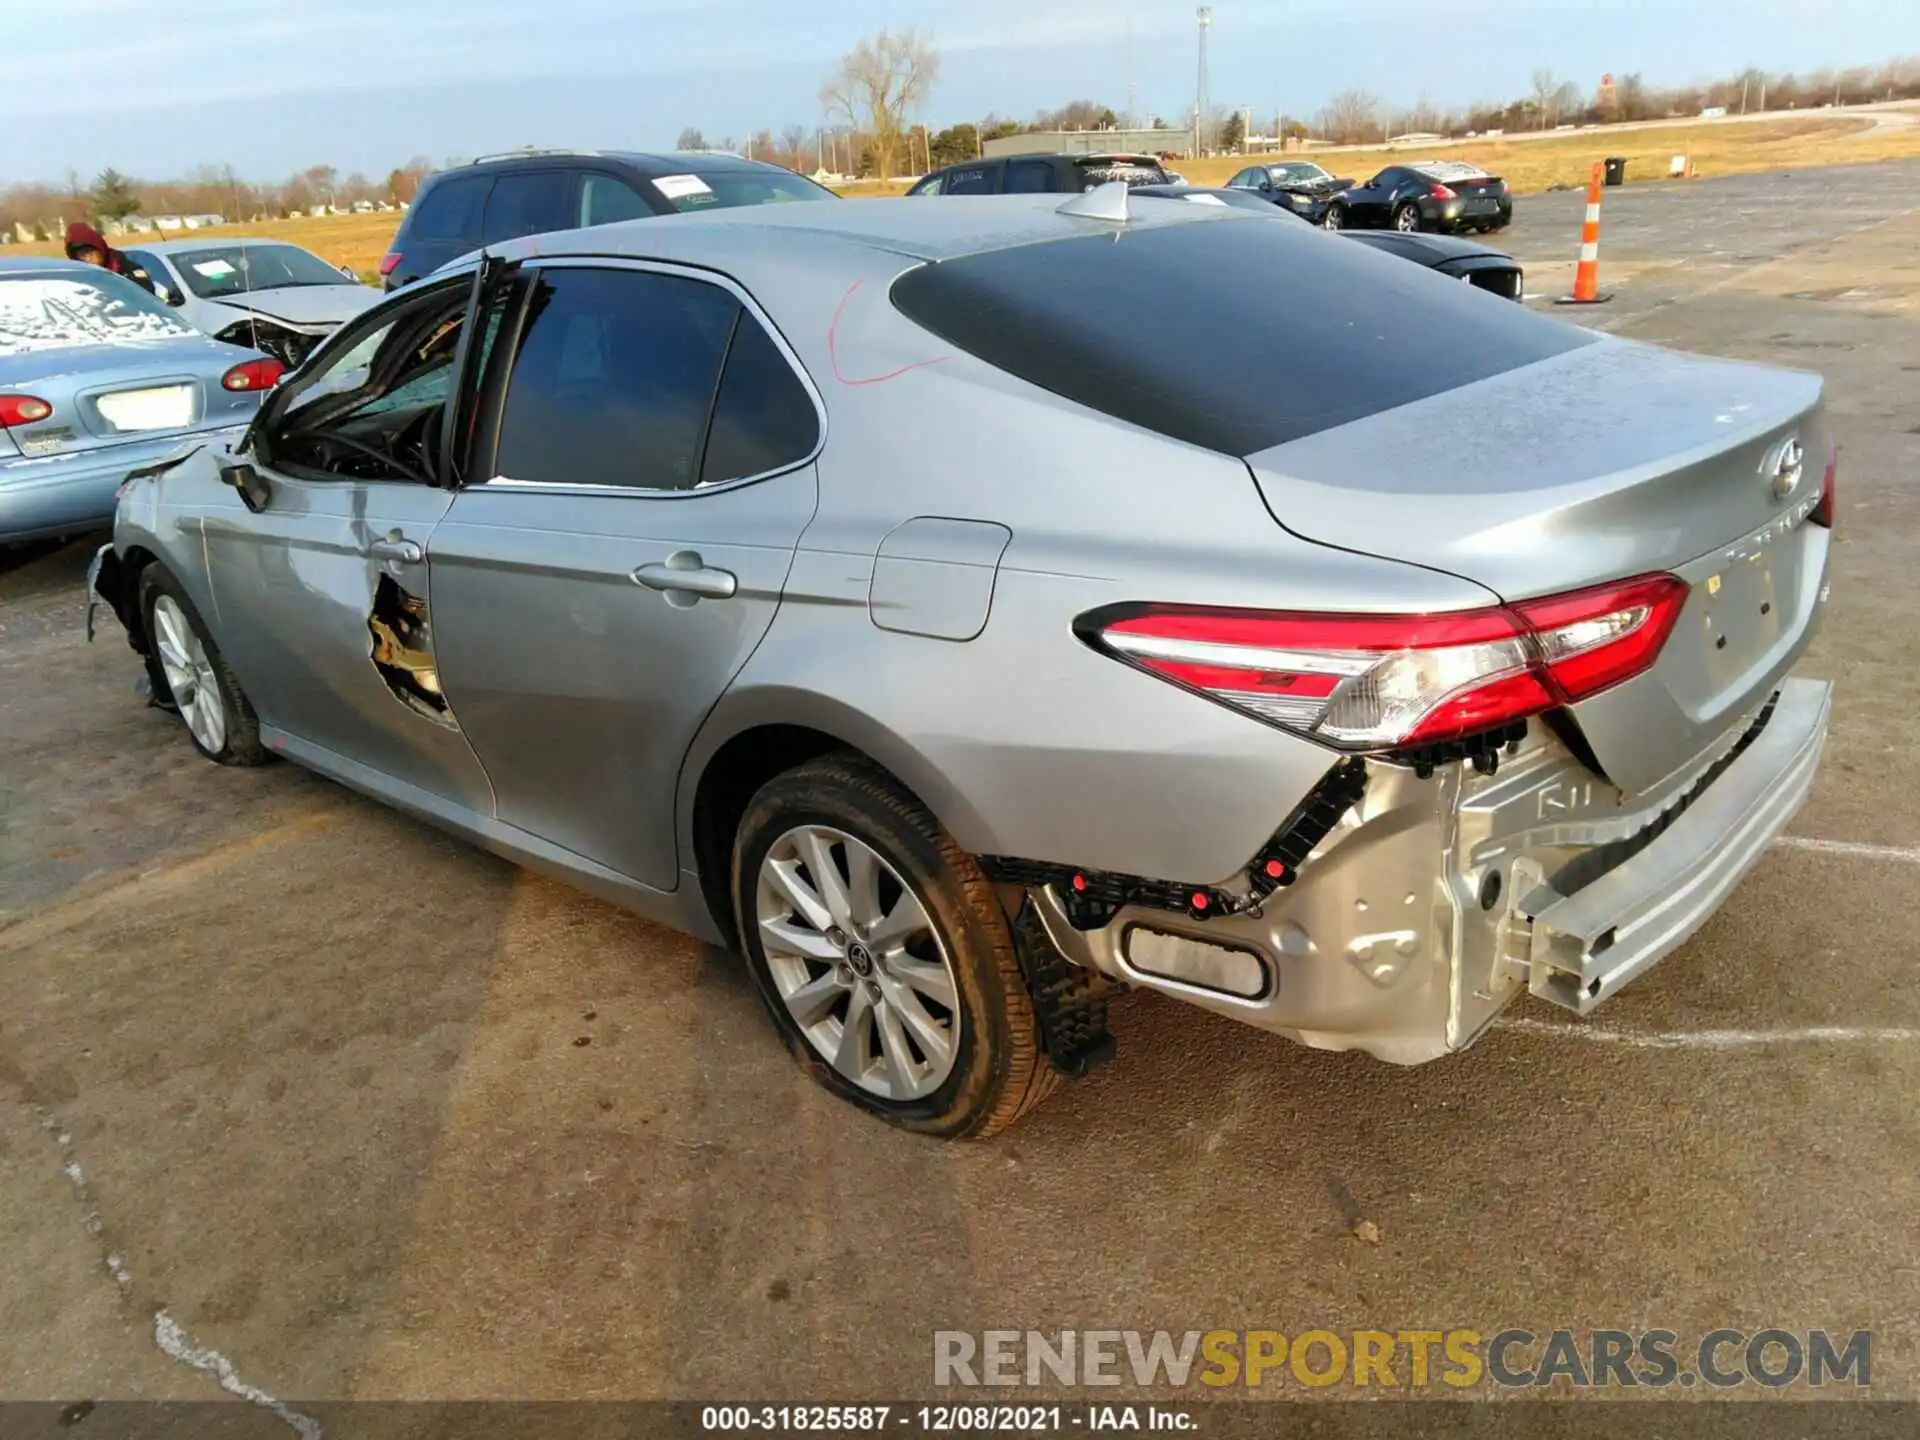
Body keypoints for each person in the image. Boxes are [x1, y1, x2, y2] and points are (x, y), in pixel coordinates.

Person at [64, 220, 155, 294]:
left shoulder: (127, 269)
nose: (87, 258)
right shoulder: (78, 280)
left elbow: (147, 294)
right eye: (80, 255)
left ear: (100, 248)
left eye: (89, 251)